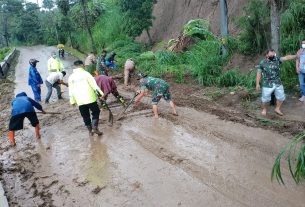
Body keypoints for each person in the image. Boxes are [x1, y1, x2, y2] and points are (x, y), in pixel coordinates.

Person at [256, 49, 297, 116]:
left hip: (278, 82)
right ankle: (264, 109)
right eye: (271, 53)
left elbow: (286, 57)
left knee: (281, 97)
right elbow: (259, 73)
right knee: (265, 99)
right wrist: (257, 84)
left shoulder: (277, 59)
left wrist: (296, 55)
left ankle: (277, 108)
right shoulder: (262, 63)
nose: (273, 54)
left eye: (273, 53)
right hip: (267, 84)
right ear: (267, 55)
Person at [68, 60, 104, 136]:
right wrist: (101, 94)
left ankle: (90, 131)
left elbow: (70, 91)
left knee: (85, 115)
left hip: (80, 101)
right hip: (90, 98)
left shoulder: (71, 77)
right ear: (82, 65)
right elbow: (94, 86)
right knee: (96, 112)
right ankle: (95, 127)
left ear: (75, 66)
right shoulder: (86, 74)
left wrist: (72, 101)